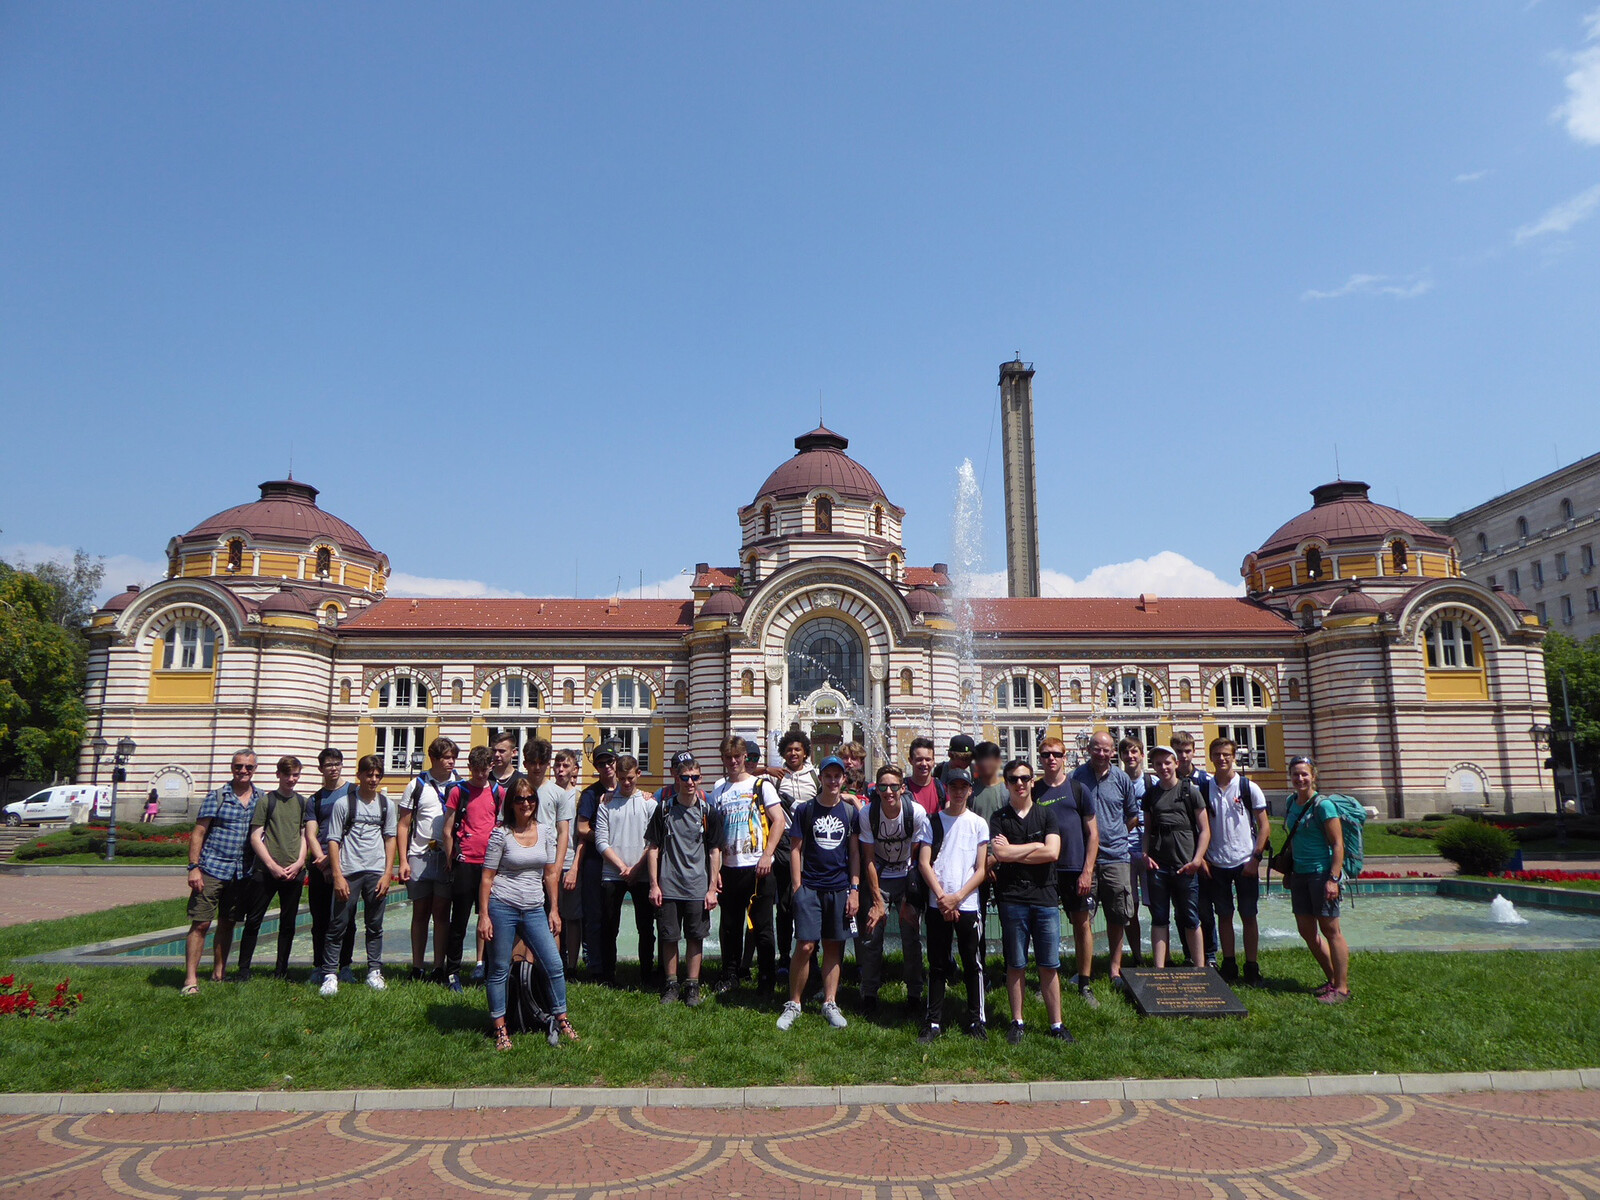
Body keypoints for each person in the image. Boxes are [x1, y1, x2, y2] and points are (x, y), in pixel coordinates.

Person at [479, 775, 579, 1049]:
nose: (525, 803)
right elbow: (487, 877)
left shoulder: (546, 832)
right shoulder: (501, 834)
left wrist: (554, 910)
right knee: (499, 969)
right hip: (503, 905)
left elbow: (550, 874)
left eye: (530, 798)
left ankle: (561, 1018)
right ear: (511, 803)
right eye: (520, 799)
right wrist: (484, 915)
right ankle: (501, 1029)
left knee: (554, 964)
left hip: (534, 907)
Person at [989, 757, 1073, 1043]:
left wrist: (1015, 850)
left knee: (1049, 964)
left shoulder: (1047, 814)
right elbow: (999, 855)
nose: (1020, 784)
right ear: (1007, 783)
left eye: (1025, 778)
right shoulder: (999, 818)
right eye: (1014, 779)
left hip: (1045, 897)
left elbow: (1052, 853)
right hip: (1012, 897)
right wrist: (1035, 846)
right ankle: (1017, 1021)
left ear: (1032, 781)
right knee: (1016, 963)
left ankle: (1057, 1024)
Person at [777, 756, 861, 1031]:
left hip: (839, 886)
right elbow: (796, 849)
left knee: (834, 945)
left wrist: (854, 889)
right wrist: (798, 886)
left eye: (838, 776)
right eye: (828, 776)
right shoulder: (806, 810)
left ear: (843, 780)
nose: (833, 780)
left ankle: (830, 1001)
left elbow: (854, 853)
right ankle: (794, 1003)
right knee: (805, 945)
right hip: (810, 887)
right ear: (821, 779)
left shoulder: (850, 812)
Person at [917, 767, 989, 1042]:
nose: (959, 792)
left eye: (964, 787)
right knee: (936, 964)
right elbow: (924, 862)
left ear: (970, 790)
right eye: (954, 787)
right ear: (946, 789)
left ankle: (976, 1019)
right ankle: (933, 1020)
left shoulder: (978, 823)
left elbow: (980, 869)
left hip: (967, 903)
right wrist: (942, 898)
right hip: (939, 904)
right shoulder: (933, 821)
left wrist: (957, 898)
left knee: (973, 963)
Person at [181, 749, 261, 994]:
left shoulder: (261, 798)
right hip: (212, 868)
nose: (243, 771)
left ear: (254, 769)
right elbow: (199, 832)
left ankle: (219, 973)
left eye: (248, 767)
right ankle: (191, 979)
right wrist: (194, 868)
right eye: (239, 767)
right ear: (232, 768)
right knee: (201, 923)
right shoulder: (217, 796)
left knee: (228, 923)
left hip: (241, 872)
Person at [709, 734, 785, 994]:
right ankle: (730, 974)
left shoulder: (761, 785)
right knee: (729, 926)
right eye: (728, 758)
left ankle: (766, 977)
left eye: (737, 757)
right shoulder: (718, 791)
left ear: (744, 758)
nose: (733, 762)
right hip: (729, 868)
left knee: (762, 926)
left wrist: (767, 854)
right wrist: (715, 871)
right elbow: (714, 835)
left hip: (758, 867)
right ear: (723, 759)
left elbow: (779, 821)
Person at [647, 752, 724, 1006]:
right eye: (685, 777)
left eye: (694, 777)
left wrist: (712, 888)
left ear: (700, 779)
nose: (690, 782)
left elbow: (714, 850)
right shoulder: (665, 809)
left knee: (695, 937)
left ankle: (692, 985)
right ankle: (671, 984)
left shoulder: (708, 812)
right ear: (677, 779)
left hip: (697, 886)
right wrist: (654, 884)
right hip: (669, 885)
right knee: (669, 937)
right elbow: (654, 848)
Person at [318, 753, 398, 995]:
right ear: (359, 775)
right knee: (338, 924)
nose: (373, 779)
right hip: (349, 871)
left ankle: (374, 971)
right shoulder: (344, 804)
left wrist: (387, 874)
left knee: (375, 925)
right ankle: (330, 973)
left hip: (376, 871)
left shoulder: (386, 805)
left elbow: (390, 839)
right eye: (368, 774)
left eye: (377, 775)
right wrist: (338, 875)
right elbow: (333, 841)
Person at [856, 764, 929, 1014]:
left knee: (911, 937)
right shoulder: (868, 814)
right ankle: (869, 994)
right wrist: (877, 901)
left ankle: (914, 994)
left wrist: (910, 897)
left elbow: (919, 859)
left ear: (902, 788)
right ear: (876, 789)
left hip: (907, 875)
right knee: (871, 936)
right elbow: (867, 859)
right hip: (880, 875)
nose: (889, 791)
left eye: (894, 786)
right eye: (884, 786)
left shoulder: (916, 813)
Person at [1035, 736, 1100, 1009]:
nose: (1051, 759)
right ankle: (1046, 981)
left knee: (1081, 923)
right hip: (1044, 868)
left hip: (1075, 868)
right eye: (1046, 754)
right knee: (1044, 926)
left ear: (1065, 757)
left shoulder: (1078, 789)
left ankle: (1084, 982)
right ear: (1040, 758)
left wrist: (1087, 871)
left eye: (1056, 754)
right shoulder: (1033, 789)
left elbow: (1093, 834)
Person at [1072, 732, 1141, 989]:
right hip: (1085, 859)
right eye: (1097, 749)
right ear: (1089, 749)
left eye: (1107, 750)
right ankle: (1083, 970)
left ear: (1113, 751)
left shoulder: (1122, 779)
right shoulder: (1077, 778)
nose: (1102, 754)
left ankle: (1115, 968)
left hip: (1116, 857)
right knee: (1084, 918)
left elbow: (1132, 815)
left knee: (1118, 915)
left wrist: (1115, 833)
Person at [1202, 737, 1270, 983]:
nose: (1222, 759)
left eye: (1226, 755)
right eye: (1217, 754)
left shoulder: (1248, 787)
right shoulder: (1205, 788)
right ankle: (1229, 964)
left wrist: (1256, 858)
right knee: (1224, 915)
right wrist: (1203, 859)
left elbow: (1264, 826)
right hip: (1216, 863)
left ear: (1234, 757)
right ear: (1211, 757)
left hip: (1244, 862)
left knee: (1249, 915)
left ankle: (1252, 966)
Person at [1284, 756, 1351, 1003]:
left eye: (1304, 774)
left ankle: (1342, 989)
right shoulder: (1292, 802)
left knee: (1331, 930)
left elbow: (1337, 844)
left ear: (1313, 776)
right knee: (1306, 931)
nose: (1300, 779)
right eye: (1295, 774)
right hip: (1300, 874)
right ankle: (1332, 979)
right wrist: (1290, 871)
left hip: (1321, 873)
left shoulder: (1324, 806)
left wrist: (1333, 878)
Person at [238, 755, 308, 981]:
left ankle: (281, 971)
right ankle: (244, 970)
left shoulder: (301, 802)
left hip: (294, 872)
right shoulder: (267, 801)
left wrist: (299, 863)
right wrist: (271, 865)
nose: (291, 779)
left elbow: (305, 835)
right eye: (287, 774)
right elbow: (256, 836)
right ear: (278, 775)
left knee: (288, 924)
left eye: (295, 774)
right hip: (266, 872)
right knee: (254, 921)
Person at [395, 736, 459, 982]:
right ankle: (417, 966)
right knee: (420, 912)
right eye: (446, 757)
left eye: (453, 757)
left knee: (442, 913)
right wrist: (403, 860)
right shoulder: (416, 785)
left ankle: (438, 967)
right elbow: (403, 825)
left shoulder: (459, 785)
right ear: (433, 758)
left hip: (446, 857)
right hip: (420, 855)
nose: (451, 762)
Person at [1141, 744, 1210, 969]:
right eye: (1158, 764)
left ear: (1176, 764)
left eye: (1167, 763)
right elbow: (1148, 830)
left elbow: (1204, 829)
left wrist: (1197, 859)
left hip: (1185, 865)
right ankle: (1159, 968)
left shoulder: (1190, 791)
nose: (1163, 767)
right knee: (1159, 918)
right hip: (1159, 865)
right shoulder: (1151, 794)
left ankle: (1200, 969)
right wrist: (1144, 854)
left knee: (1190, 917)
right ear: (1153, 767)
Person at [440, 745, 503, 992]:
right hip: (465, 863)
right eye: (475, 770)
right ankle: (452, 972)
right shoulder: (459, 791)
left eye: (484, 770)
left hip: (489, 866)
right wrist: (450, 856)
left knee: (490, 919)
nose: (480, 775)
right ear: (470, 768)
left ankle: (488, 969)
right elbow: (447, 828)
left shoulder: (499, 792)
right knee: (460, 921)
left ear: (491, 767)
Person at [594, 753, 658, 988]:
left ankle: (646, 973)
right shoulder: (607, 803)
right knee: (610, 926)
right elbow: (601, 841)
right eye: (622, 779)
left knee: (645, 927)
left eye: (630, 778)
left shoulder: (649, 804)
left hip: (641, 873)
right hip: (613, 873)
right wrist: (622, 867)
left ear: (638, 774)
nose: (627, 783)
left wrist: (636, 868)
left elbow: (653, 842)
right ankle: (608, 974)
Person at [305, 748, 357, 986]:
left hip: (348, 863)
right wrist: (324, 862)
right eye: (328, 765)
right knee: (320, 919)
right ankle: (320, 966)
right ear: (321, 769)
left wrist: (335, 860)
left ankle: (345, 965)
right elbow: (311, 833)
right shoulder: (315, 799)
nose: (333, 768)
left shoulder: (353, 793)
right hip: (321, 865)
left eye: (337, 764)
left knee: (347, 919)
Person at [770, 731, 819, 975]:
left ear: (805, 752)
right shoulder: (776, 778)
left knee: (811, 901)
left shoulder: (815, 776)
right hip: (786, 843)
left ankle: (813, 955)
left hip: (811, 844)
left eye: (797, 750)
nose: (793, 754)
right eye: (789, 750)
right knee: (786, 904)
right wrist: (764, 770)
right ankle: (784, 957)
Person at [1172, 730, 1217, 966]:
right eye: (1179, 752)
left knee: (1204, 909)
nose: (1183, 756)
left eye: (1187, 751)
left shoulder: (1206, 781)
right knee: (1182, 910)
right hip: (1179, 854)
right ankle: (1189, 954)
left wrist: (1205, 856)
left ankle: (1210, 955)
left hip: (1202, 854)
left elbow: (1210, 820)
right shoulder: (1169, 779)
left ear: (1194, 751)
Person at [574, 747, 618, 976]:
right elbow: (582, 828)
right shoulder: (591, 794)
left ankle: (610, 963)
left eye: (610, 761)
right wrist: (604, 837)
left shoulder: (626, 789)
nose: (607, 766)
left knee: (612, 916)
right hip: (595, 860)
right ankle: (595, 965)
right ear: (597, 767)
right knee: (593, 915)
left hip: (619, 860)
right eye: (601, 763)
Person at [549, 748, 585, 973]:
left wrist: (574, 868)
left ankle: (571, 965)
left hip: (570, 862)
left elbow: (582, 837)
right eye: (558, 766)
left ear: (574, 769)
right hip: (548, 864)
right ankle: (555, 963)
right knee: (552, 915)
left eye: (566, 766)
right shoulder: (546, 792)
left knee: (572, 918)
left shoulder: (579, 797)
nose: (561, 770)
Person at [1118, 736, 1149, 967]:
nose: (1131, 756)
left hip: (1149, 852)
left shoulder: (1152, 782)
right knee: (1131, 908)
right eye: (1126, 752)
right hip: (1125, 851)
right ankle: (1137, 956)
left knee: (1158, 905)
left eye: (1135, 751)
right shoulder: (1116, 781)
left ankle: (1163, 958)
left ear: (1141, 754)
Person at [904, 737, 944, 818]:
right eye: (919, 759)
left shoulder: (942, 789)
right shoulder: (902, 789)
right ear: (910, 761)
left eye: (928, 759)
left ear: (933, 761)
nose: (924, 763)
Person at [968, 742, 1007, 823]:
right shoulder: (971, 792)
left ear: (998, 761)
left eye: (988, 759)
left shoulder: (1006, 792)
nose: (984, 763)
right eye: (980, 760)